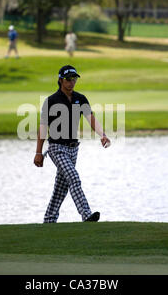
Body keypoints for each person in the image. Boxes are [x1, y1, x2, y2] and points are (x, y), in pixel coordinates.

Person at [34, 65, 111, 223]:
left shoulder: (80, 98)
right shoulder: (51, 101)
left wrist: (102, 135)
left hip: (73, 149)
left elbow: (91, 119)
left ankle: (49, 220)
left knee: (61, 188)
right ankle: (86, 214)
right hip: (56, 148)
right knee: (74, 177)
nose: (72, 82)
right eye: (68, 79)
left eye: (74, 79)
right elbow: (42, 128)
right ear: (61, 80)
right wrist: (38, 153)